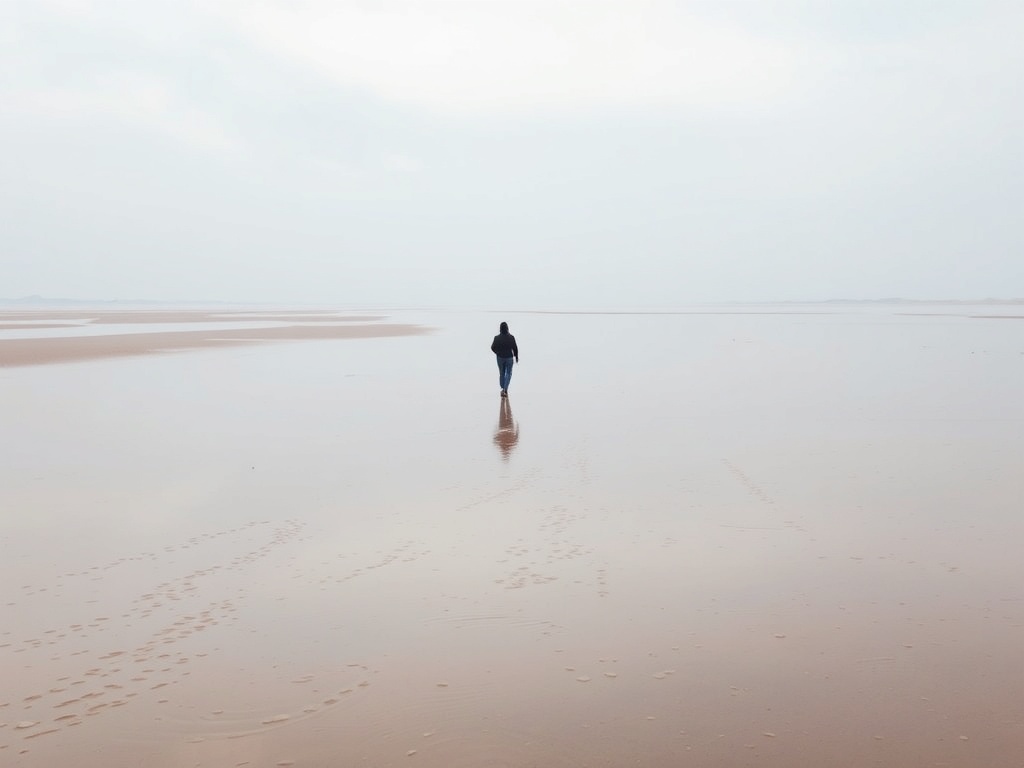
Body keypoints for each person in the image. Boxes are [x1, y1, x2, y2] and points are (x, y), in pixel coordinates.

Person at [490, 321, 519, 397]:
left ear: (500, 329)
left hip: (500, 358)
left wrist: (497, 352)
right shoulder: (511, 337)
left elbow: (492, 347)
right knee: (509, 373)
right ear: (507, 328)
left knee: (502, 373)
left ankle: (503, 388)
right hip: (509, 357)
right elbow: (515, 348)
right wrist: (516, 357)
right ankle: (505, 389)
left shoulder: (496, 338)